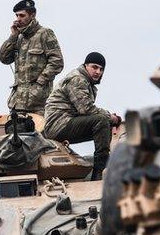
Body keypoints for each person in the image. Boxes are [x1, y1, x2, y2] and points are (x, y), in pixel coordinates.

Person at [43, 52, 121, 180]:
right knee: (102, 121)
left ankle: (103, 169)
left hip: (66, 122)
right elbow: (86, 109)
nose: (98, 72)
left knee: (104, 124)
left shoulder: (87, 82)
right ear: (86, 66)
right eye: (94, 67)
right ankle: (99, 174)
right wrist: (111, 117)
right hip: (58, 125)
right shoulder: (77, 79)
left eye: (101, 69)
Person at [0, 0, 64, 115]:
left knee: (39, 133)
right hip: (18, 104)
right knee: (16, 133)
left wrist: (39, 83)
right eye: (17, 15)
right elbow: (4, 59)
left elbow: (57, 62)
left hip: (39, 104)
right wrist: (13, 36)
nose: (18, 19)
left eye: (22, 15)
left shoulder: (45, 33)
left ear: (32, 15)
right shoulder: (19, 38)